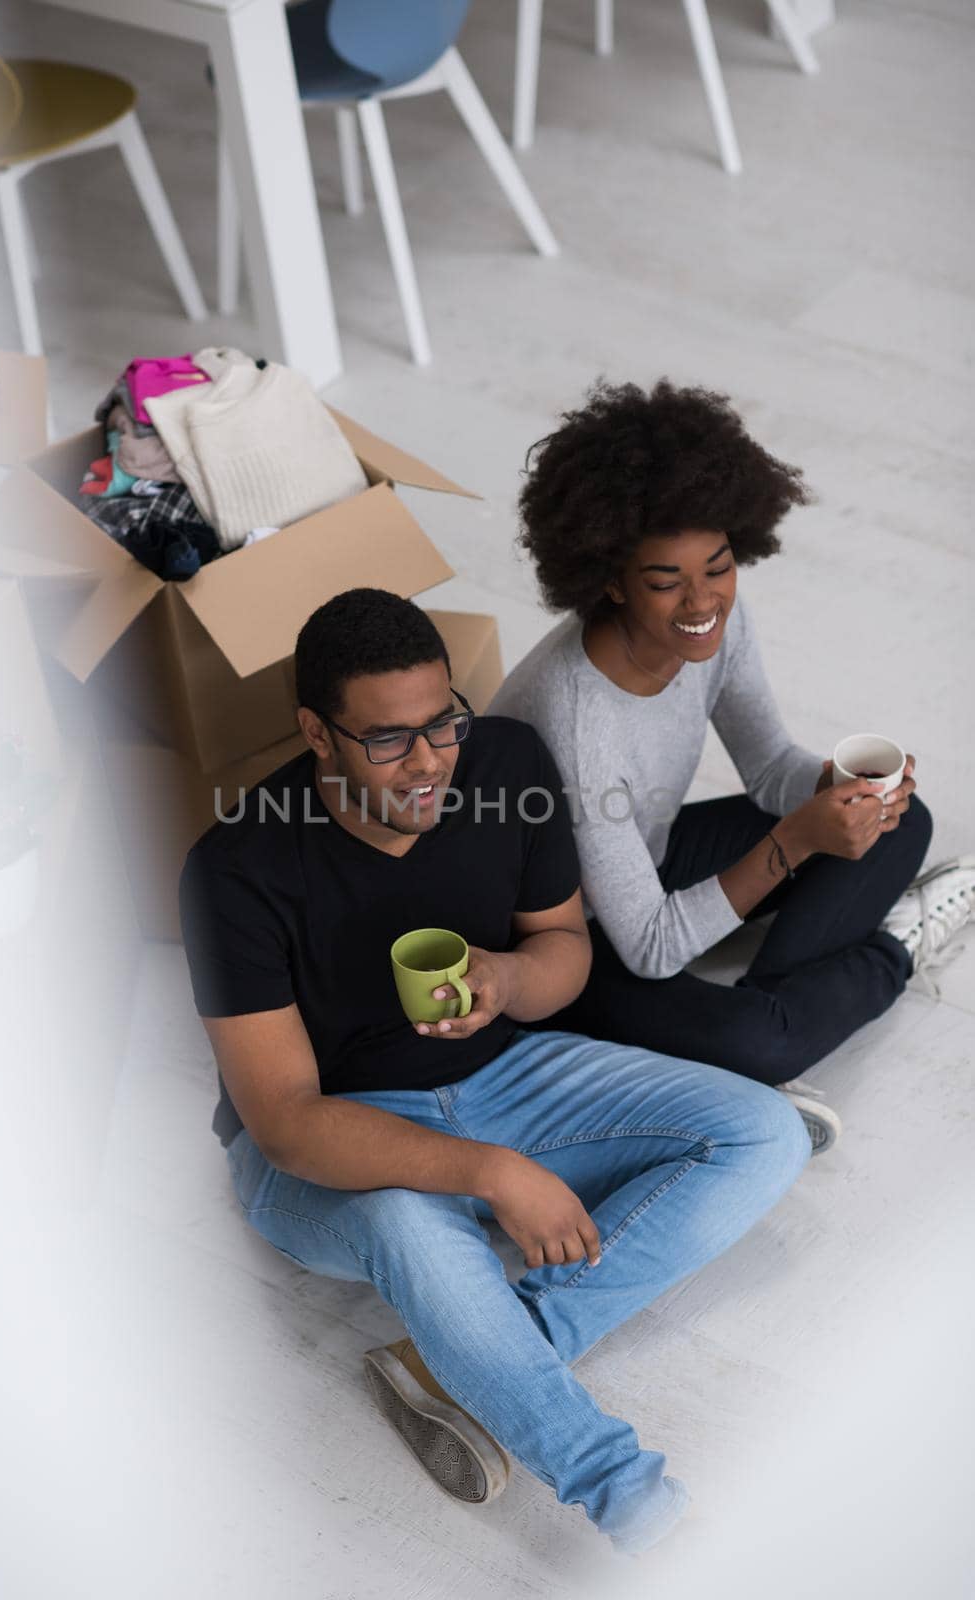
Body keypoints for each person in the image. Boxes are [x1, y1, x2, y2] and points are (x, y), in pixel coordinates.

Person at [179, 587, 812, 1558]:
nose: (430, 760)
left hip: (505, 1072)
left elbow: (561, 949)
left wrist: (509, 977)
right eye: (390, 740)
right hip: (331, 1133)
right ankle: (644, 1512)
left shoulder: (506, 763)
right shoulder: (236, 869)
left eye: (443, 722)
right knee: (403, 1218)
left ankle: (463, 1355)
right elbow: (288, 1124)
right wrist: (490, 1171)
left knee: (764, 1130)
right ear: (318, 731)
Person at [490, 379, 973, 1153]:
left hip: (645, 856)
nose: (702, 600)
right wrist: (796, 845)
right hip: (561, 938)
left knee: (900, 818)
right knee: (761, 1041)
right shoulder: (575, 717)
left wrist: (835, 795)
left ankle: (775, 1012)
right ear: (609, 580)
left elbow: (770, 766)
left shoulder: (717, 622)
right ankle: (891, 950)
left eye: (717, 567)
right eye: (665, 581)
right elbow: (647, 946)